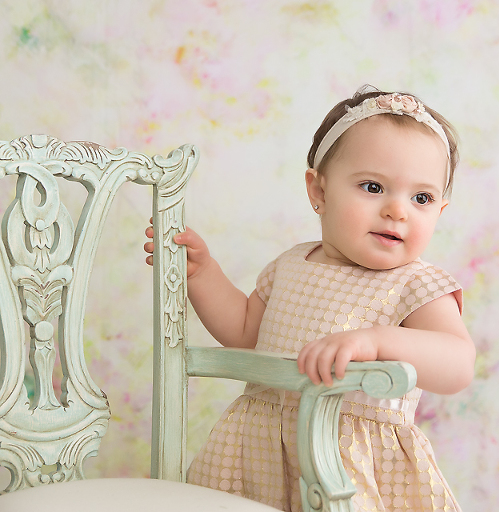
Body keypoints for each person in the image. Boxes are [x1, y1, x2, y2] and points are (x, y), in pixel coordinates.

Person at [144, 87, 475, 511]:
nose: (398, 210)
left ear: (439, 213)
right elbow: (246, 334)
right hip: (257, 455)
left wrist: (376, 341)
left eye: (421, 198)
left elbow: (458, 364)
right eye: (373, 187)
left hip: (353, 467)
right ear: (318, 192)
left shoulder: (417, 285)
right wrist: (203, 274)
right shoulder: (291, 264)